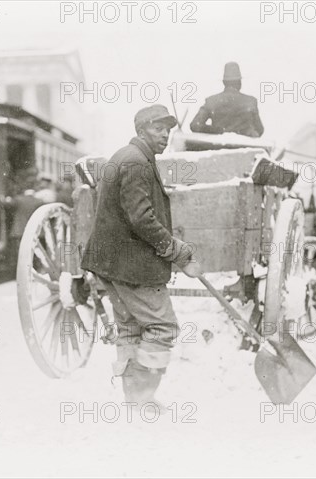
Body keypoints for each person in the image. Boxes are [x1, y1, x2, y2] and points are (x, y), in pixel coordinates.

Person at [81, 104, 202, 409]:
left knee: (131, 329)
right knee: (163, 328)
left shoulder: (128, 157)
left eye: (168, 129)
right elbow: (142, 218)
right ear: (141, 129)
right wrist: (180, 253)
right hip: (131, 265)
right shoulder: (136, 162)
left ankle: (135, 400)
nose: (165, 135)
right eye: (158, 128)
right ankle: (142, 396)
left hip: (115, 263)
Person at [190, 61, 264, 138]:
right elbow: (260, 129)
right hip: (244, 146)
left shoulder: (212, 101)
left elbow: (195, 125)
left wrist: (216, 131)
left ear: (224, 82)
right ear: (239, 82)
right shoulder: (250, 102)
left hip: (219, 146)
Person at [3, 181, 45, 276]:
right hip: (35, 231)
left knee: (21, 253)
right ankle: (34, 272)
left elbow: (6, 204)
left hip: (20, 231)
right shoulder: (39, 201)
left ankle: (22, 273)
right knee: (34, 252)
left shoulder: (18, 200)